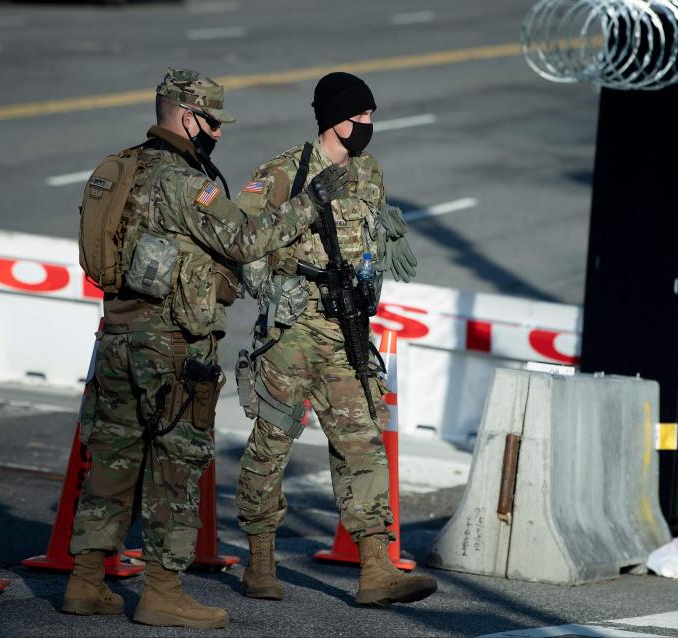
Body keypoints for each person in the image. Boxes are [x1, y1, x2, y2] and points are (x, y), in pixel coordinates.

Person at [63, 67, 350, 629]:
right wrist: (309, 203)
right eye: (211, 122)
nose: (217, 134)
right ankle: (163, 591)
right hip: (172, 347)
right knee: (176, 464)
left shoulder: (118, 167)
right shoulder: (182, 181)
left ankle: (86, 582)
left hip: (118, 335)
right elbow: (244, 241)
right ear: (187, 115)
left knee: (113, 463)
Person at [233, 71, 433, 606]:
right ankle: (259, 560)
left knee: (362, 442)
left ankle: (375, 568)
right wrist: (272, 289)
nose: (367, 126)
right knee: (272, 444)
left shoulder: (369, 172)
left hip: (345, 329)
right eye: (359, 116)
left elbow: (372, 240)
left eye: (371, 116)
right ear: (334, 119)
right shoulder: (282, 172)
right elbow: (242, 240)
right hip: (291, 334)